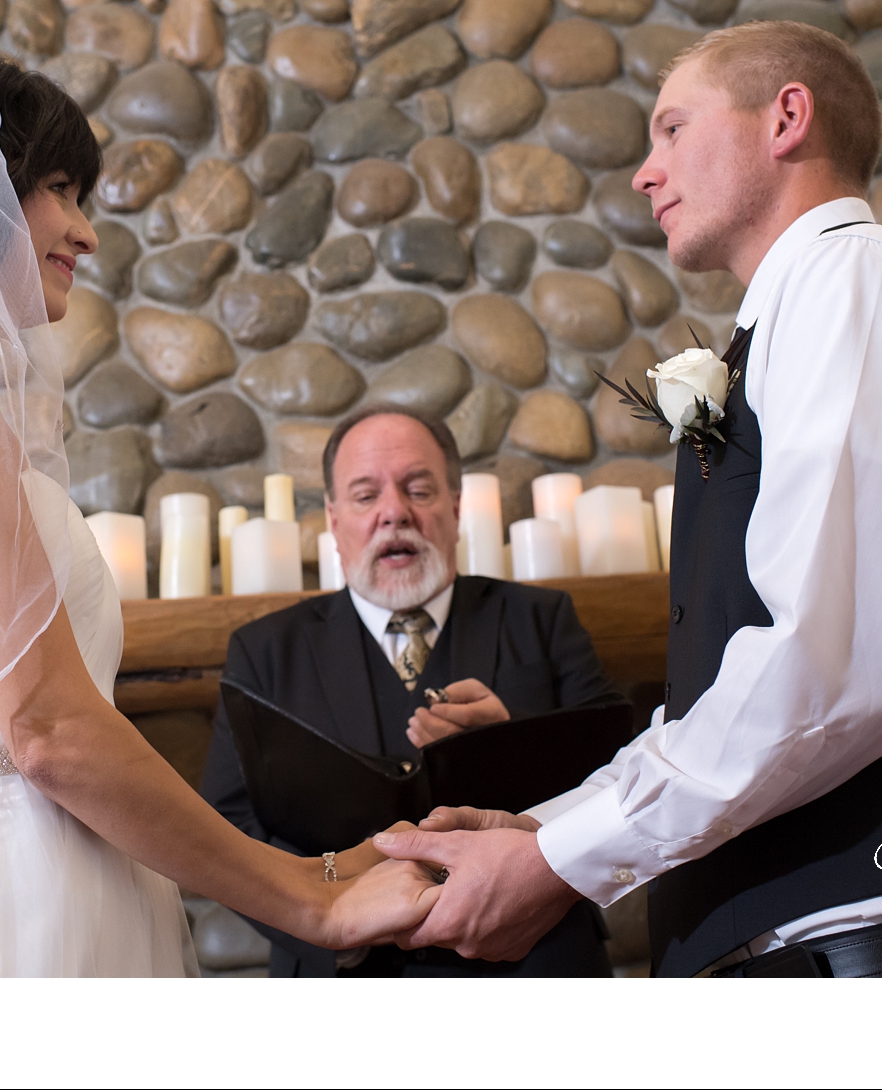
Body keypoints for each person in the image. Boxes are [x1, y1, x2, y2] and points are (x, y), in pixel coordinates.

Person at [0, 40, 438, 976]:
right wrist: (312, 896)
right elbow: (48, 729)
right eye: (57, 187)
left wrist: (333, 863)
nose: (85, 231)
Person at [377, 20, 882, 978]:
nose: (642, 172)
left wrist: (557, 865)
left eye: (671, 128)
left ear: (787, 117)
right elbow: (727, 694)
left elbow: (822, 670)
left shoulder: (858, 277)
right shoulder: (798, 315)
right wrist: (540, 826)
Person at [200, 406, 622, 977]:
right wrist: (329, 924)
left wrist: (513, 738)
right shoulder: (264, 650)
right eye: (365, 495)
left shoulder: (543, 620)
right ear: (333, 519)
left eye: (418, 490)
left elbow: (617, 780)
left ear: (454, 507)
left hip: (536, 960)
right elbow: (227, 829)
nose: (394, 513)